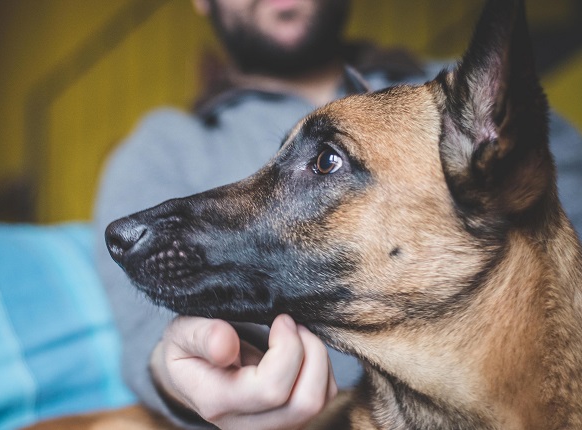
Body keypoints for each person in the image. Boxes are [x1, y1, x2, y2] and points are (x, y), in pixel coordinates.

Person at [93, 1, 582, 429]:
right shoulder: (162, 147)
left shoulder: (476, 111)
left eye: (328, 161)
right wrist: (185, 370)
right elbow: (144, 340)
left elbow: (555, 264)